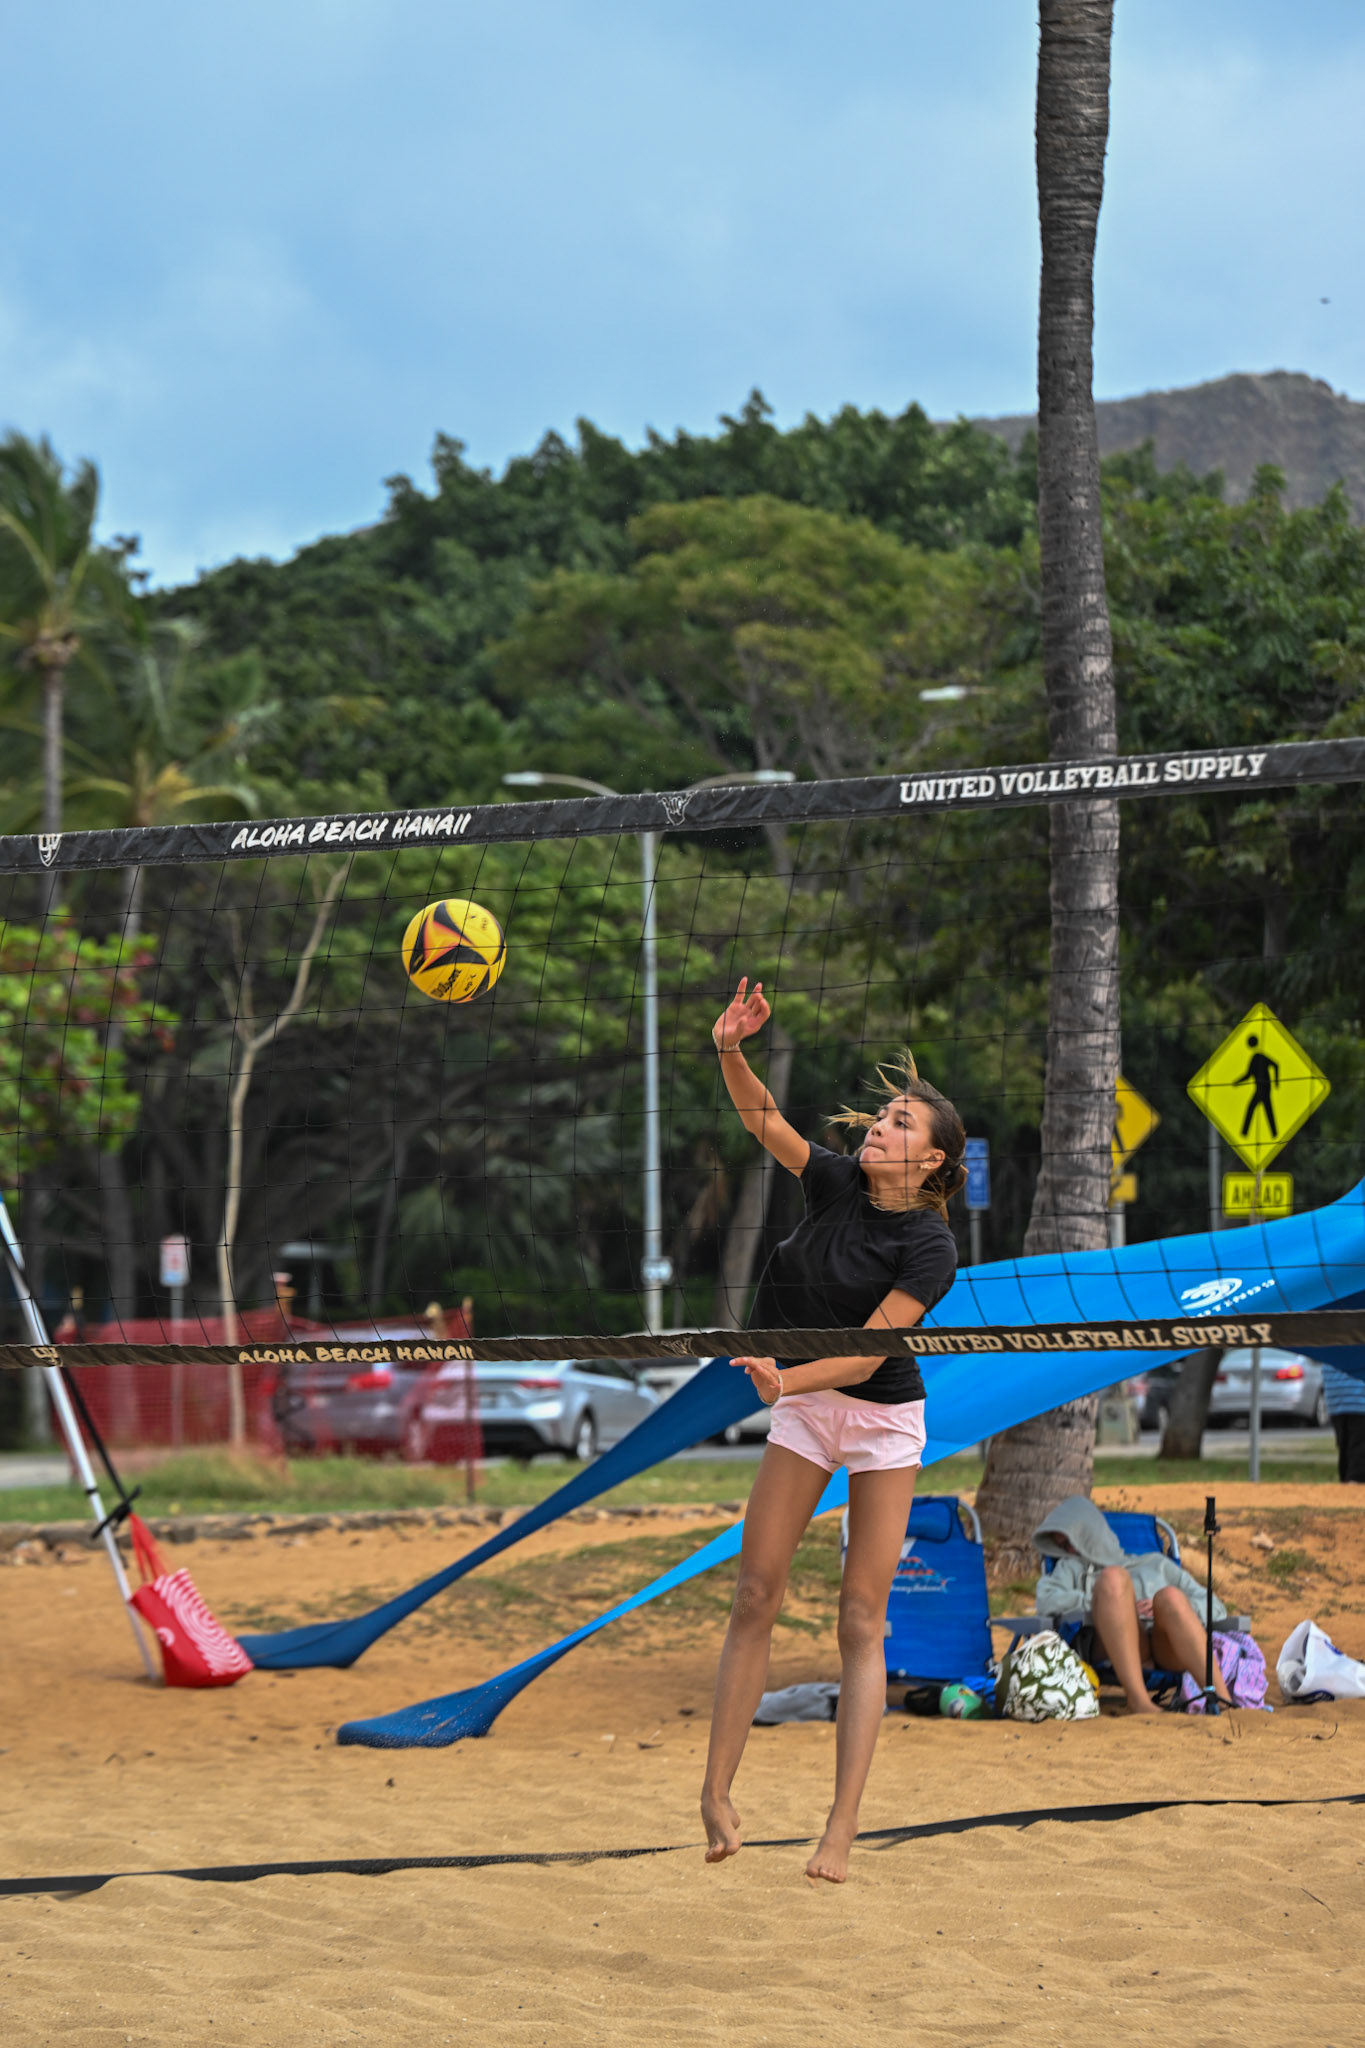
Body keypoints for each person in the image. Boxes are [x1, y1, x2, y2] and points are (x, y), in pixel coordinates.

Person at [700, 977, 965, 1883]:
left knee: (861, 1621)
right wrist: (729, 1048)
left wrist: (783, 1376)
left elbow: (862, 1357)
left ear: (928, 1162)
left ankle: (841, 1829)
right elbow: (764, 1124)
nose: (879, 1128)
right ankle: (717, 1794)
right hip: (806, 1403)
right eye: (883, 1115)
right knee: (754, 1595)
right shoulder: (840, 1183)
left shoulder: (929, 1248)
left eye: (899, 1124)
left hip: (880, 1414)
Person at [1032, 1496, 1232, 1714]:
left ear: (1089, 1533)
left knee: (1171, 1597)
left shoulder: (1157, 1564)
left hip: (1164, 1647)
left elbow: (1217, 1607)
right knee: (1113, 1579)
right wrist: (1105, 1602)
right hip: (1108, 1645)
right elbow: (1046, 1600)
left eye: (1070, 1541)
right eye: (1061, 1546)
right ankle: (1139, 1701)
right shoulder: (1070, 1568)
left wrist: (1160, 1608)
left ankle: (1222, 1701)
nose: (1068, 1550)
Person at [1321, 1361, 1365, 1484]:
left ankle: (1346, 1492)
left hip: (1336, 1395)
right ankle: (1354, 1494)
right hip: (1360, 1395)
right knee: (1359, 1461)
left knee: (1346, 1454)